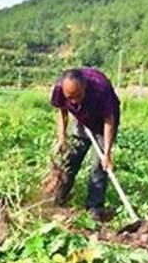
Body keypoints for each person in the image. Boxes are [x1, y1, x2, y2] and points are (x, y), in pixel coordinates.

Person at [49, 67, 121, 221]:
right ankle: (58, 197)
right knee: (70, 158)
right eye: (70, 97)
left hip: (103, 123)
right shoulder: (60, 89)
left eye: (77, 96)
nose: (73, 100)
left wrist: (107, 154)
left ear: (85, 87)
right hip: (81, 117)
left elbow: (109, 121)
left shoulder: (101, 90)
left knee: (99, 166)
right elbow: (62, 111)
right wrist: (62, 137)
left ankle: (94, 207)